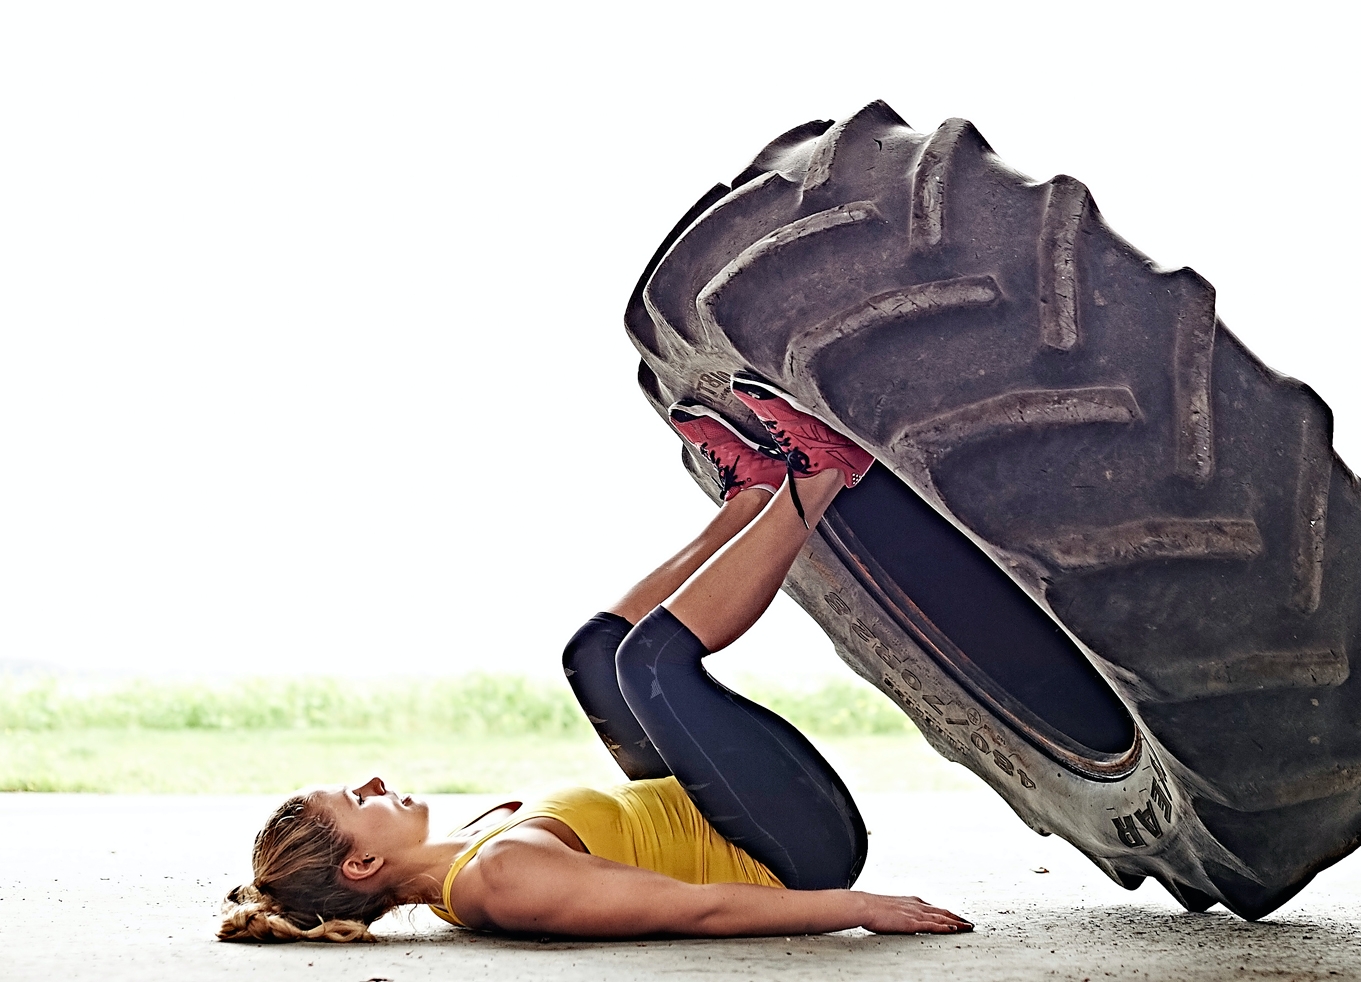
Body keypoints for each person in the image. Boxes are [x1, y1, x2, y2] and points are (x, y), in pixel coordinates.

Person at [218, 374, 974, 942]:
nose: (373, 782)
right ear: (359, 868)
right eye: (356, 801)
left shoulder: (473, 857)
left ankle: (752, 496)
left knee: (593, 653)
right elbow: (694, 909)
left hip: (723, 814)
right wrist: (859, 910)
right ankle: (825, 472)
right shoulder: (504, 883)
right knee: (652, 665)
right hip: (790, 851)